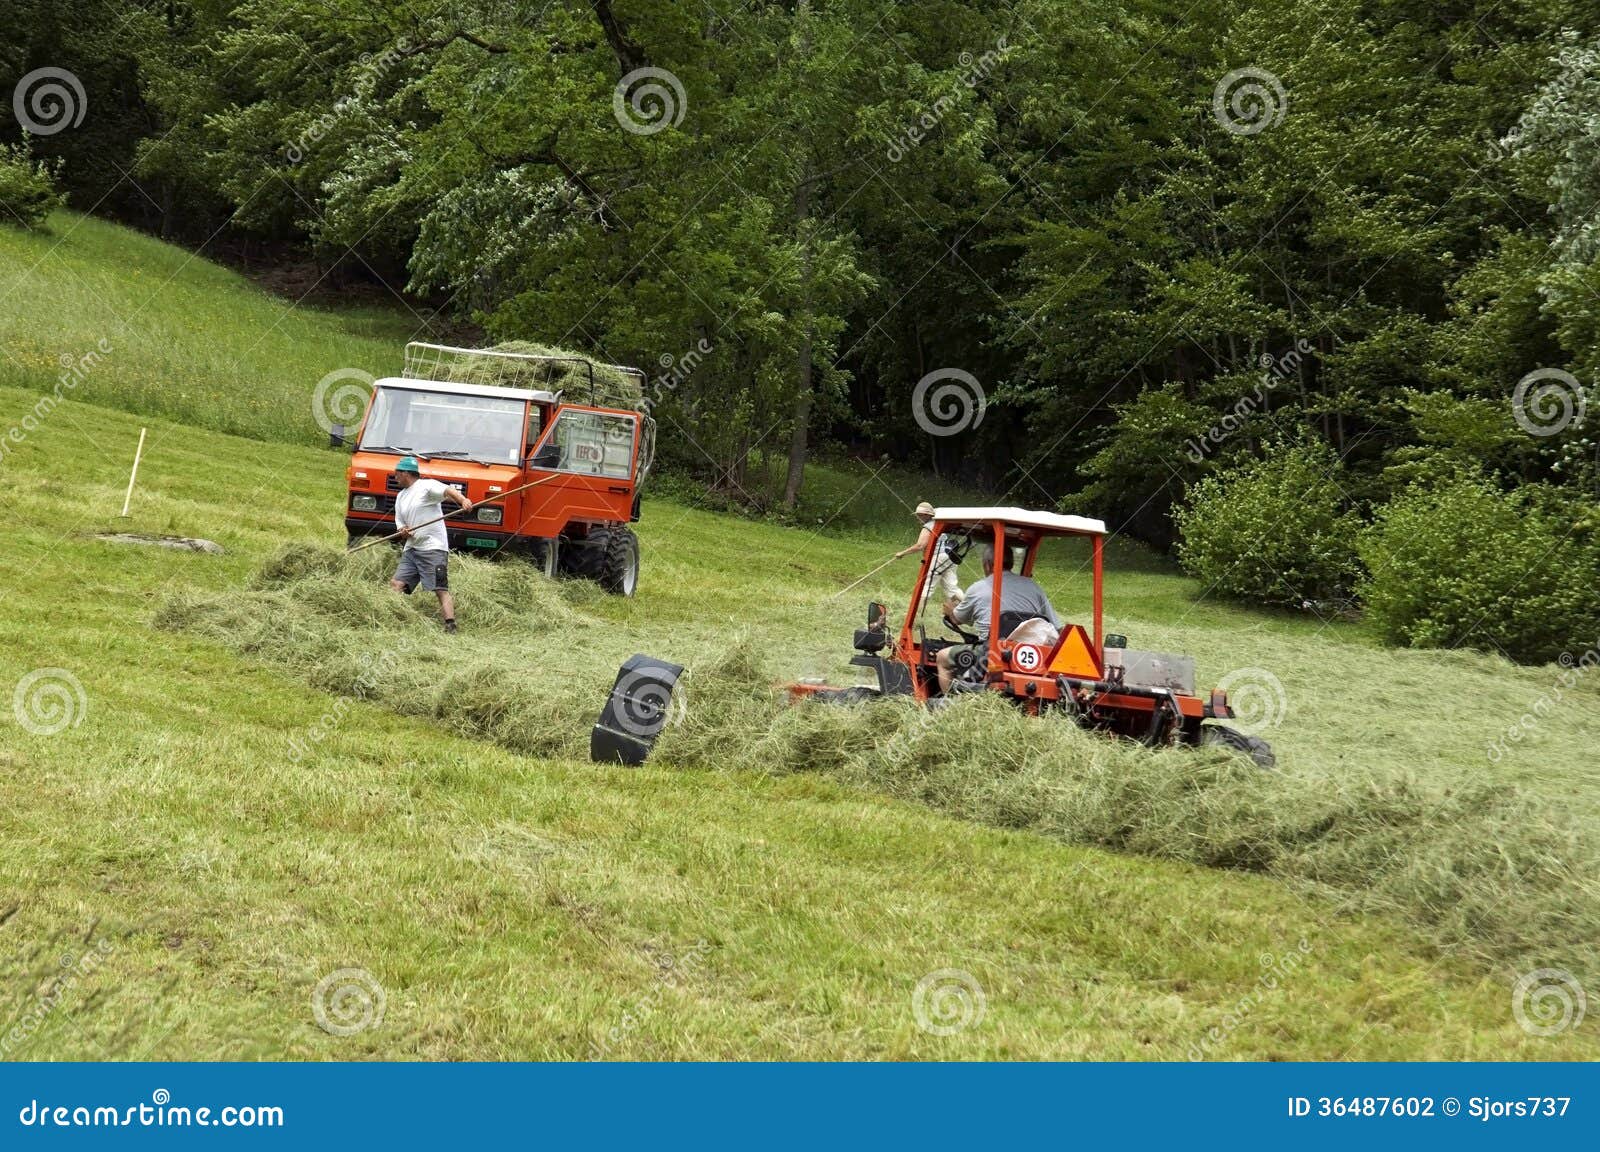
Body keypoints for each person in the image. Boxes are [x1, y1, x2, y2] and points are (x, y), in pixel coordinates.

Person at [936, 542, 1060, 693]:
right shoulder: (1034, 588)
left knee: (942, 658)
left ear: (988, 565)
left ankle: (947, 704)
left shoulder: (978, 588)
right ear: (1012, 563)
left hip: (992, 654)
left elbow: (956, 619)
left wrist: (950, 610)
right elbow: (1055, 625)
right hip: (1034, 654)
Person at [388, 456, 473, 633]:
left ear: (406, 474)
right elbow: (400, 521)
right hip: (411, 548)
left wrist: (463, 500)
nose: (395, 477)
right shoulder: (400, 496)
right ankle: (390, 620)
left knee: (440, 588)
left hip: (432, 548)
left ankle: (450, 625)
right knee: (396, 583)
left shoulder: (426, 487)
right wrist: (403, 530)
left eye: (397, 474)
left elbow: (448, 490)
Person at [897, 501, 963, 616]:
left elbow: (920, 545)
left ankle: (915, 616)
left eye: (920, 515)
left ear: (927, 515)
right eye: (918, 514)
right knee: (952, 588)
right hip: (949, 557)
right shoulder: (939, 524)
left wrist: (902, 553)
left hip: (937, 558)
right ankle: (967, 607)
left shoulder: (928, 526)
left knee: (926, 587)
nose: (918, 517)